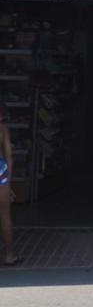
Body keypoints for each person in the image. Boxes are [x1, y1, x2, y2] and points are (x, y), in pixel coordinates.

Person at [0, 102, 22, 265]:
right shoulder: (3, 129)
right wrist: (9, 185)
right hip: (0, 170)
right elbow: (9, 156)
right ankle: (9, 255)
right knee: (5, 214)